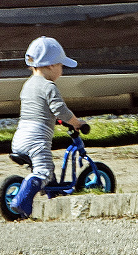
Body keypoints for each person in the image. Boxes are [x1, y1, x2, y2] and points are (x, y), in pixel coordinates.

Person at [8, 36, 84, 218]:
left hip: (20, 137)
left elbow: (40, 109)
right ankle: (21, 202)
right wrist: (76, 122)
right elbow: (60, 110)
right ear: (50, 65)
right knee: (43, 171)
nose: (61, 70)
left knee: (46, 167)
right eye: (60, 66)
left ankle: (53, 194)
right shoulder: (49, 86)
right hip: (36, 139)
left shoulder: (27, 85)